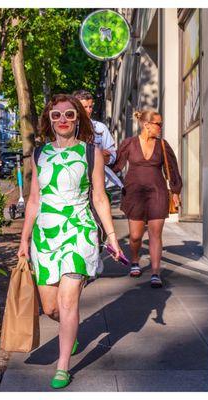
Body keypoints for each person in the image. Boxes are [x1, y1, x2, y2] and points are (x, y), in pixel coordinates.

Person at [17, 94, 123, 389]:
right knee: (51, 307)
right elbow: (35, 200)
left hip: (79, 231)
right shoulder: (39, 154)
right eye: (56, 116)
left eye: (69, 115)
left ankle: (63, 366)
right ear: (49, 121)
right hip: (46, 235)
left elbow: (100, 197)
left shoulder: (91, 154)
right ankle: (69, 331)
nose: (62, 120)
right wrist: (24, 240)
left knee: (67, 300)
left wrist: (112, 237)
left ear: (79, 119)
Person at [112, 110, 182, 287]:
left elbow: (172, 169)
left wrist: (175, 191)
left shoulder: (163, 145)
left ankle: (155, 272)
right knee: (135, 236)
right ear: (146, 125)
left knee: (155, 235)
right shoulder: (129, 143)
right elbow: (116, 165)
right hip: (134, 194)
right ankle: (135, 261)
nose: (160, 127)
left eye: (161, 124)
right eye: (158, 124)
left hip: (157, 193)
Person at [72, 89, 123, 275]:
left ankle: (96, 254)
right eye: (84, 106)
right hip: (75, 184)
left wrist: (100, 156)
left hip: (97, 183)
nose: (88, 110)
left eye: (91, 106)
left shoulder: (100, 128)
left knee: (97, 221)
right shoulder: (68, 127)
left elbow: (113, 153)